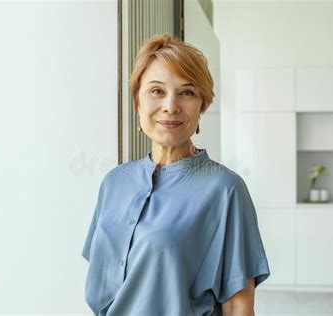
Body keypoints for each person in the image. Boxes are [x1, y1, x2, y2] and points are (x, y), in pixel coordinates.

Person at [82, 33, 270, 316]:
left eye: (187, 92)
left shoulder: (225, 190)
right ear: (137, 103)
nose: (171, 106)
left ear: (201, 107)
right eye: (157, 91)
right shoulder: (113, 183)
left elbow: (238, 305)